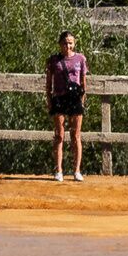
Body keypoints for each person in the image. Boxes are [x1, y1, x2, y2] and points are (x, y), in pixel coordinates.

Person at [45, 30, 89, 181]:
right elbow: (48, 83)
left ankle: (77, 170)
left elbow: (83, 81)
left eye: (70, 43)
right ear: (60, 44)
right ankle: (59, 170)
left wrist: (82, 100)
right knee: (59, 135)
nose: (68, 46)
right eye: (65, 43)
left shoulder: (80, 59)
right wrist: (49, 100)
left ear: (74, 43)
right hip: (59, 98)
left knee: (76, 135)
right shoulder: (53, 60)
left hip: (75, 98)